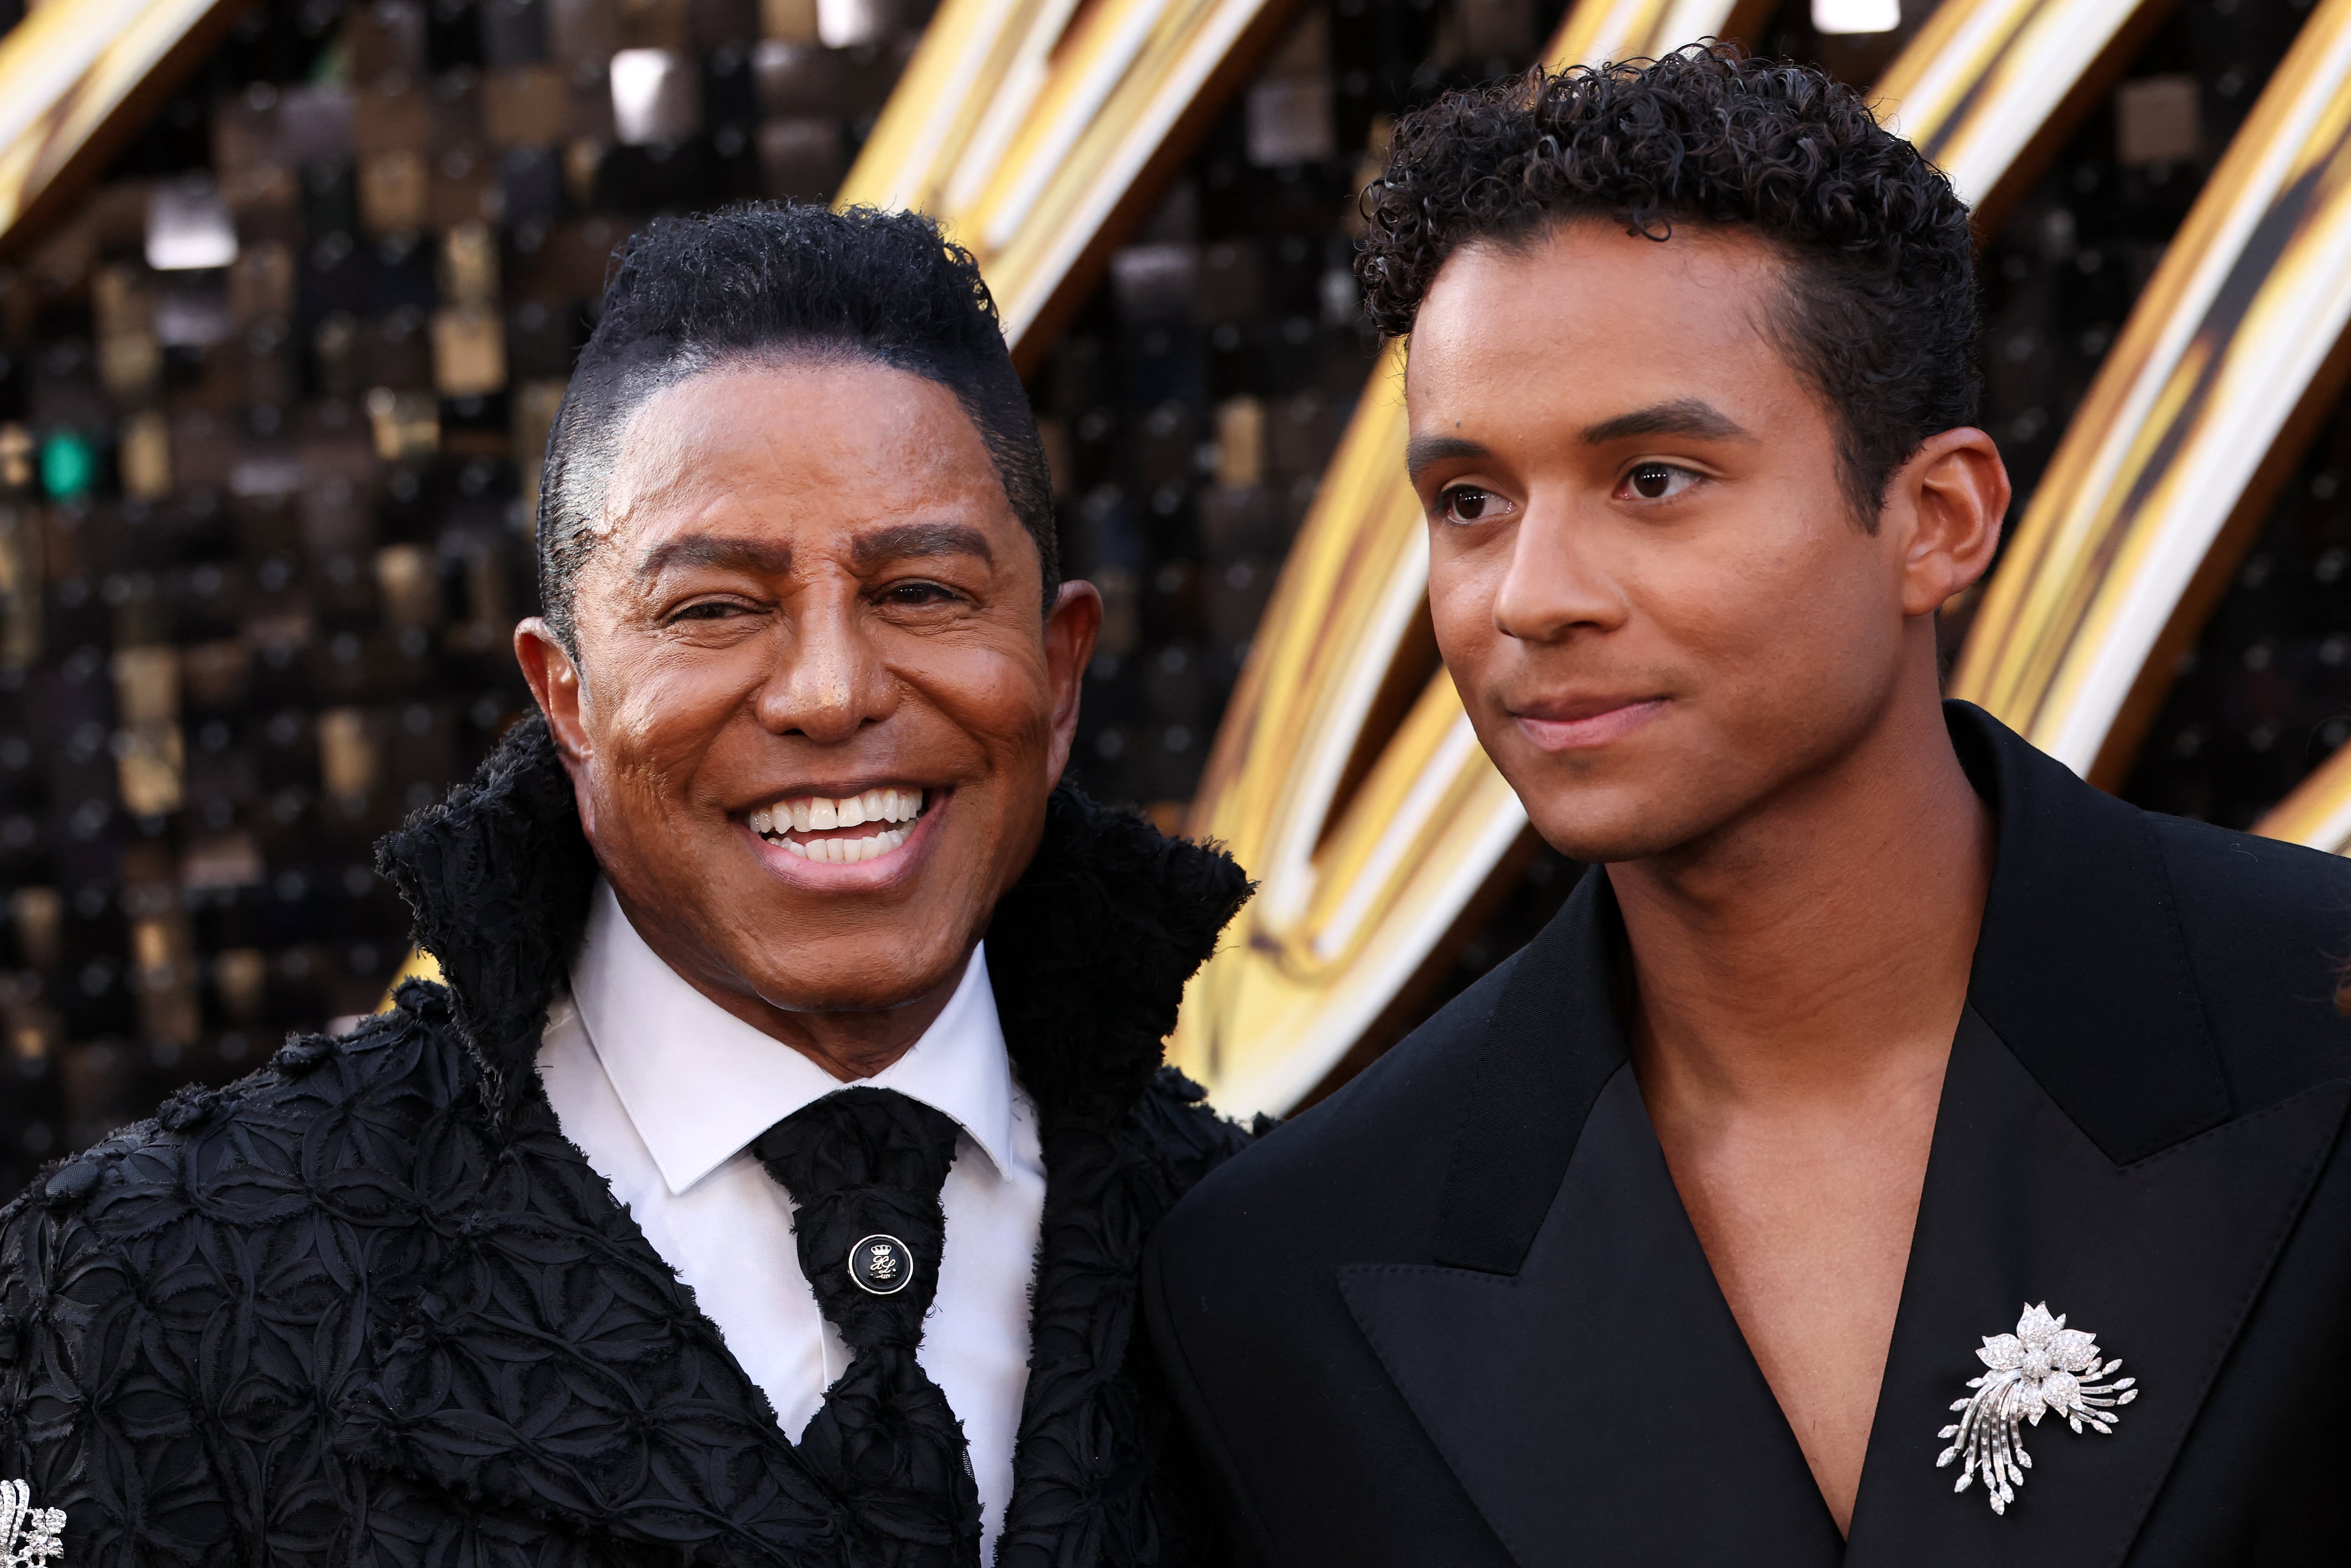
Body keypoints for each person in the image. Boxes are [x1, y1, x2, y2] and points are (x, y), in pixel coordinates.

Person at [1144, 46, 2351, 1566]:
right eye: (1470, 502)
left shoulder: (2316, 1026)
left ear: (1936, 520)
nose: (1532, 598)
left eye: (1653, 478)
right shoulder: (1292, 1269)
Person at [0, 205, 1253, 1568]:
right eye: (714, 608)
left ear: (1061, 672)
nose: (830, 692)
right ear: (567, 697)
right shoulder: (148, 1285)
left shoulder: (1267, 1265)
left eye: (922, 592)